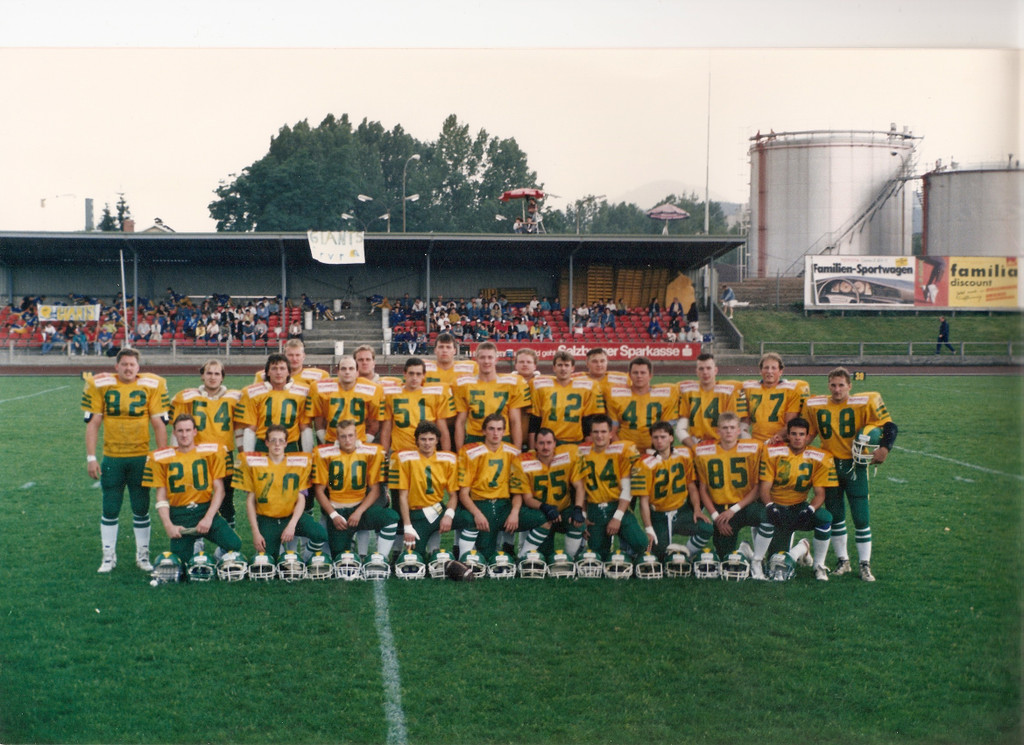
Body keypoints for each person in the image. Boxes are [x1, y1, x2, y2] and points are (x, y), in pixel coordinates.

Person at [804, 367, 897, 581]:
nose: (837, 389)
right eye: (833, 385)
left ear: (849, 386)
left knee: (861, 517)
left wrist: (884, 448)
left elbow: (890, 426)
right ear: (828, 385)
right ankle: (843, 560)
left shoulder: (864, 402)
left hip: (855, 465)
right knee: (836, 516)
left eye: (841, 385)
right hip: (829, 465)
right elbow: (810, 433)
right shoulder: (816, 405)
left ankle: (865, 564)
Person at [83, 348, 170, 573]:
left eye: (132, 364)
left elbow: (159, 424)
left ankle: (143, 554)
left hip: (140, 457)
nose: (128, 368)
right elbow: (93, 423)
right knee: (110, 508)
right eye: (124, 364)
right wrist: (91, 457)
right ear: (117, 366)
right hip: (113, 457)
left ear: (138, 367)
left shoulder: (151, 385)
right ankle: (108, 556)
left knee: (141, 508)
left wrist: (162, 457)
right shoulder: (102, 385)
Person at [145, 414, 242, 566]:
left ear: (195, 431)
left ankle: (218, 556)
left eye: (188, 430)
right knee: (182, 563)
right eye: (180, 431)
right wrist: (169, 525)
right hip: (180, 515)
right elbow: (161, 497)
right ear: (174, 433)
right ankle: (194, 550)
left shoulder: (209, 454)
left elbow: (220, 490)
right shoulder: (163, 458)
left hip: (204, 510)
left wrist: (208, 518)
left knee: (234, 544)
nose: (184, 435)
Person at [750, 417, 837, 581]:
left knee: (824, 518)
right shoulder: (773, 452)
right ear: (788, 435)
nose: (798, 438)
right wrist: (770, 506)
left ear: (807, 436)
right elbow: (764, 488)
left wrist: (810, 509)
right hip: (776, 507)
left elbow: (820, 493)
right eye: (794, 434)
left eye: (801, 434)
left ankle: (819, 565)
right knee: (776, 559)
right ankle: (801, 548)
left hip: (798, 507)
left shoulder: (818, 457)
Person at [453, 414, 546, 560]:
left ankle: (523, 556)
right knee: (487, 557)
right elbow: (463, 494)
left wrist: (515, 512)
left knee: (544, 519)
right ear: (484, 431)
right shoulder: (470, 453)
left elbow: (517, 491)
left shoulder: (513, 452)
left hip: (504, 506)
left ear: (504, 432)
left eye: (499, 429)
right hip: (482, 505)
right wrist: (477, 514)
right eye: (491, 429)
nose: (495, 433)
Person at [169, 359, 243, 535]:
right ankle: (197, 538)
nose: (212, 377)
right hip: (196, 456)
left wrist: (242, 454)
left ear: (222, 377)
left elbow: (240, 429)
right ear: (202, 376)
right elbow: (177, 429)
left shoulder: (234, 398)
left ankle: (227, 541)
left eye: (217, 373)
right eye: (209, 373)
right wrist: (175, 455)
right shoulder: (187, 397)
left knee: (226, 499)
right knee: (195, 499)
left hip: (223, 456)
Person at [238, 425, 328, 559]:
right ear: (266, 443)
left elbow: (301, 499)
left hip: (290, 516)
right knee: (269, 560)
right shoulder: (256, 465)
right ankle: (277, 553)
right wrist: (255, 532)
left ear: (286, 443)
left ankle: (305, 558)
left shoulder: (296, 464)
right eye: (273, 440)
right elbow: (250, 502)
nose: (277, 444)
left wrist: (292, 525)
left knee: (320, 535)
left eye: (281, 440)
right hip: (268, 520)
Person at [312, 420, 399, 559]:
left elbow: (375, 489)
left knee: (391, 517)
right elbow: (319, 491)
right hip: (338, 512)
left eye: (350, 435)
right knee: (340, 558)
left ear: (356, 436)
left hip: (359, 509)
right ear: (337, 437)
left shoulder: (369, 453)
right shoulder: (326, 455)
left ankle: (381, 558)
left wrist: (359, 512)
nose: (347, 440)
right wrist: (333, 515)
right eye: (343, 436)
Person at [570, 414, 647, 560]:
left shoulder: (622, 451)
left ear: (611, 434)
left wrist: (617, 517)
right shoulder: (581, 453)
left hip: (616, 505)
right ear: (590, 434)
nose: (599, 436)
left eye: (603, 432)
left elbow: (627, 488)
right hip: (594, 509)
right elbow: (581, 489)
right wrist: (584, 515)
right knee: (598, 555)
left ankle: (631, 558)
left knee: (642, 544)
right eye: (596, 432)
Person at [634, 421, 713, 560]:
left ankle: (687, 554)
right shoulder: (644, 463)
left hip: (680, 512)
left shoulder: (684, 454)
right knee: (660, 558)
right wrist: (649, 528)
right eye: (655, 437)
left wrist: (697, 509)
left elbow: (691, 487)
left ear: (671, 438)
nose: (659, 441)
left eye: (663, 437)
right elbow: (643, 501)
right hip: (659, 516)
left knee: (707, 529)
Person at [693, 412, 769, 557]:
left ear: (739, 430)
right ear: (718, 431)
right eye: (725, 428)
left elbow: (757, 487)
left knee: (769, 516)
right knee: (725, 557)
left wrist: (733, 510)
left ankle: (757, 560)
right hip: (721, 510)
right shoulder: (705, 452)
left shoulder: (753, 449)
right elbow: (703, 489)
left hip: (744, 506)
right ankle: (743, 550)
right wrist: (716, 517)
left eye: (732, 427)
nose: (729, 431)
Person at [380, 357, 453, 484]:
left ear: (424, 375)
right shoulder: (392, 394)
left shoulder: (434, 395)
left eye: (418, 374)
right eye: (411, 373)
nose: (414, 378)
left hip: (426, 454)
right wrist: (384, 457)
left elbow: (442, 429)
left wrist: (446, 455)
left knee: (426, 492)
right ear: (404, 374)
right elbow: (386, 429)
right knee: (399, 493)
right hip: (401, 452)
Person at [518, 427, 586, 558]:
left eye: (549, 443)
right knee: (545, 554)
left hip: (563, 509)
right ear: (535, 445)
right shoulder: (525, 462)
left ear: (555, 443)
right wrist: (545, 507)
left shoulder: (568, 455)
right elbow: (527, 499)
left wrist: (578, 508)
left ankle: (569, 559)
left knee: (577, 523)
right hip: (542, 513)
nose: (545, 447)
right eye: (541, 443)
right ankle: (522, 557)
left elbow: (579, 486)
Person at [395, 421, 461, 556]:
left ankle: (464, 555)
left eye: (431, 439)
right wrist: (407, 526)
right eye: (423, 439)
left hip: (439, 510)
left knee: (469, 519)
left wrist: (448, 515)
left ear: (437, 440)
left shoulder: (447, 460)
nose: (427, 443)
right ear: (417, 441)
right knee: (413, 558)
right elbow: (402, 496)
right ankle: (432, 551)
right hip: (417, 514)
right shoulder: (406, 460)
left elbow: (453, 495)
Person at [453, 341, 528, 450]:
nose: (486, 361)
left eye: (490, 357)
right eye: (482, 357)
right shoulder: (465, 384)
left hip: (502, 436)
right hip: (475, 436)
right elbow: (460, 422)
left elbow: (515, 421)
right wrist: (460, 451)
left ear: (496, 359)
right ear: (476, 359)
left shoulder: (510, 384)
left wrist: (517, 450)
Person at [236, 353, 315, 454]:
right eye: (274, 368)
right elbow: (250, 429)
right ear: (267, 372)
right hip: (263, 445)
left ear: (288, 372)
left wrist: (308, 455)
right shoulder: (253, 393)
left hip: (289, 445)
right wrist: (249, 456)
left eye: (282, 368)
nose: (278, 372)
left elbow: (305, 428)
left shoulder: (302, 393)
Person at [606, 356, 679, 452]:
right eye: (635, 373)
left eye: (643, 373)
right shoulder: (616, 395)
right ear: (629, 375)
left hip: (654, 450)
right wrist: (624, 451)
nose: (639, 376)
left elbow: (666, 431)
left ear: (650, 375)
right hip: (626, 450)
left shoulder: (665, 395)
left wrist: (658, 452)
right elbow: (612, 432)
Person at [675, 352, 748, 449]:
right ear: (696, 371)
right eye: (701, 369)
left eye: (708, 368)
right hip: (696, 442)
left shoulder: (728, 392)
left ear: (715, 370)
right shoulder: (688, 392)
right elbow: (680, 429)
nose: (705, 372)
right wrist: (694, 448)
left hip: (721, 445)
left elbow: (734, 426)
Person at [308, 354, 383, 446]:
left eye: (351, 369)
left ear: (357, 372)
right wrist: (326, 443)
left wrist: (363, 444)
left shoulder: (372, 389)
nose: (347, 372)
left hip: (358, 442)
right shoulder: (322, 389)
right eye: (343, 369)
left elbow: (374, 424)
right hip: (332, 441)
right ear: (338, 372)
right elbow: (319, 422)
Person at [531, 350, 597, 446]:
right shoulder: (541, 387)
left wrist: (588, 445)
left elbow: (587, 421)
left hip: (574, 440)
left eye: (566, 365)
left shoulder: (584, 388)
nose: (563, 369)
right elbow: (535, 420)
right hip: (548, 441)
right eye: (560, 365)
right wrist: (532, 447)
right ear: (554, 368)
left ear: (572, 368)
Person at [743, 352, 804, 443]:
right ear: (760, 370)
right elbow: (745, 419)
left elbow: (790, 424)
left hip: (781, 442)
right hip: (756, 441)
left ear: (780, 371)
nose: (769, 371)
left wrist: (771, 441)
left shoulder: (791, 390)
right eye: (766, 367)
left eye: (773, 368)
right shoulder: (750, 388)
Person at [254, 338, 329, 386]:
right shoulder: (264, 376)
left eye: (297, 355)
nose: (294, 359)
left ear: (303, 356)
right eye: (290, 355)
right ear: (284, 356)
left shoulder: (318, 376)